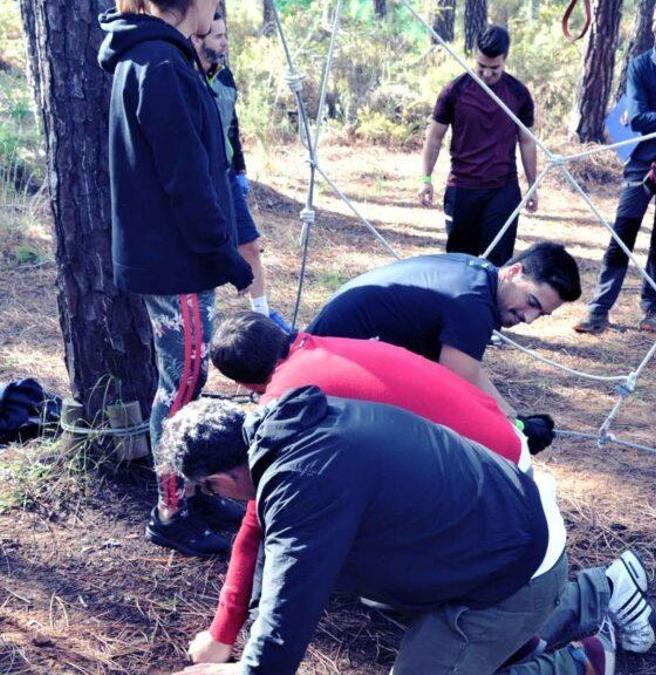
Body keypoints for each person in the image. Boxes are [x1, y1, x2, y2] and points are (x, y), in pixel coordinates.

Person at [185, 313, 655, 670]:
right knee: (406, 599)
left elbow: (271, 548)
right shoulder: (301, 400)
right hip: (495, 484)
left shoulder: (293, 437)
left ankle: (582, 659)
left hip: (501, 519)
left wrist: (227, 638)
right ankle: (589, 595)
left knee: (471, 622)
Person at [99, 0, 253, 557]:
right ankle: (171, 510)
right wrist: (225, 256)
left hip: (177, 257)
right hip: (176, 262)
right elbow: (186, 181)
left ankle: (189, 487)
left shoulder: (163, 58)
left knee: (185, 381)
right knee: (181, 386)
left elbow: (205, 165)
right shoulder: (159, 65)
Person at [305, 243, 581, 416]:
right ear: (514, 271)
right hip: (324, 363)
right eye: (531, 302)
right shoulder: (472, 303)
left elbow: (468, 369)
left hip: (331, 345)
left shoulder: (480, 274)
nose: (529, 318)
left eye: (541, 314)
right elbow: (459, 389)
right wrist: (514, 430)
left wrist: (514, 418)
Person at [573, 0, 656, 335]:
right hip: (641, 163)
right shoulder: (638, 66)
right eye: (653, 20)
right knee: (622, 234)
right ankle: (599, 310)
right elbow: (637, 119)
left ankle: (651, 310)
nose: (655, 27)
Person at [192, 11, 290, 330]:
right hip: (198, 179)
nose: (224, 42)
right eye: (217, 36)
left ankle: (261, 315)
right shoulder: (184, 77)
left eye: (225, 36)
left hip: (227, 176)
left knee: (249, 243)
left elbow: (232, 126)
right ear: (198, 38)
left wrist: (240, 169)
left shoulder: (224, 77)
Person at [419, 25, 538, 267]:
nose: (486, 74)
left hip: (503, 189)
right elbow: (433, 138)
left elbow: (527, 141)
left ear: (506, 59)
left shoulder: (518, 94)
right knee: (460, 264)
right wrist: (426, 180)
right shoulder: (455, 91)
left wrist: (533, 185)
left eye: (494, 68)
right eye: (481, 66)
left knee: (496, 265)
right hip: (463, 188)